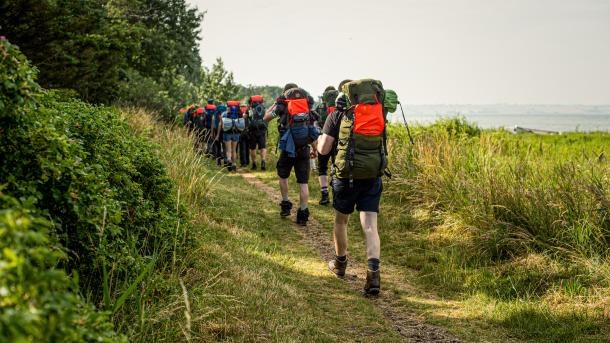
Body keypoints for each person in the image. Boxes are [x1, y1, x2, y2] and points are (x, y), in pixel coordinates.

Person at [317, 79, 388, 295]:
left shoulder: (337, 114)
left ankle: (340, 264)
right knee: (370, 226)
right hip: (372, 175)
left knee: (341, 221)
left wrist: (321, 138)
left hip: (345, 176)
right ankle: (373, 275)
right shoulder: (379, 112)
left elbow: (323, 149)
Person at [264, 83, 320, 225]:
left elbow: (266, 118)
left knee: (283, 176)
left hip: (288, 149)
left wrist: (275, 103)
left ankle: (285, 204)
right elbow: (310, 129)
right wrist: (314, 149)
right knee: (303, 183)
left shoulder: (282, 105)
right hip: (304, 148)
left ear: (285, 93)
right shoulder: (306, 106)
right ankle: (303, 213)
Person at [314, 86, 339, 205]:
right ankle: (336, 194)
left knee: (322, 168)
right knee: (336, 167)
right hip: (339, 142)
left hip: (323, 140)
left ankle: (324, 195)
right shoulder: (341, 107)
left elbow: (315, 124)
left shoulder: (320, 107)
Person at [218, 101, 245, 171]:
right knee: (234, 150)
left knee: (228, 150)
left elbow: (220, 124)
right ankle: (234, 164)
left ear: (228, 106)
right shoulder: (239, 114)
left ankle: (229, 160)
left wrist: (218, 134)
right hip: (236, 133)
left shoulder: (224, 113)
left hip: (227, 133)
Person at [246, 95, 268, 170]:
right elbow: (266, 118)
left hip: (253, 131)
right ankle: (263, 161)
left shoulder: (250, 110)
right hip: (262, 131)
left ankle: (254, 164)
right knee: (263, 147)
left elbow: (247, 118)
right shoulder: (264, 109)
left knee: (253, 148)